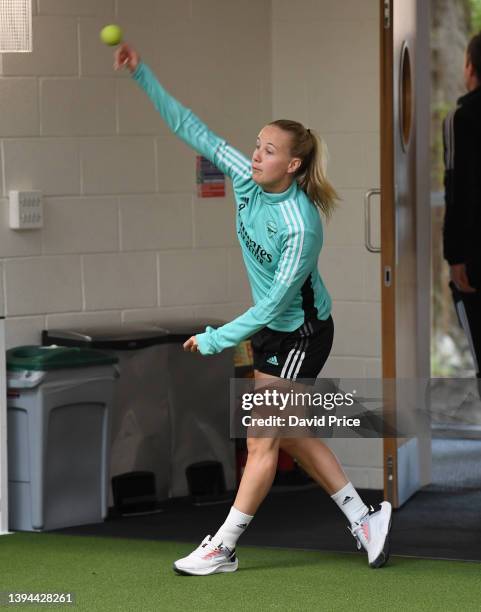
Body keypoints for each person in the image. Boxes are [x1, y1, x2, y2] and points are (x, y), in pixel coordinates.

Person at [114, 43, 392, 575]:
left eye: (268, 151)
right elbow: (190, 127)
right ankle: (364, 518)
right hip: (273, 330)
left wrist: (217, 338)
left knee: (263, 438)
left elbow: (271, 306)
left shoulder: (300, 225)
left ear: (292, 164)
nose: (255, 155)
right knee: (288, 432)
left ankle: (223, 547)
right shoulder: (246, 178)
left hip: (301, 333)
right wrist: (141, 73)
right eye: (256, 146)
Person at [443, 32, 481, 397]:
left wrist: (455, 257)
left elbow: (458, 189)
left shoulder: (462, 118)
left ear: (471, 68)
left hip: (475, 259)